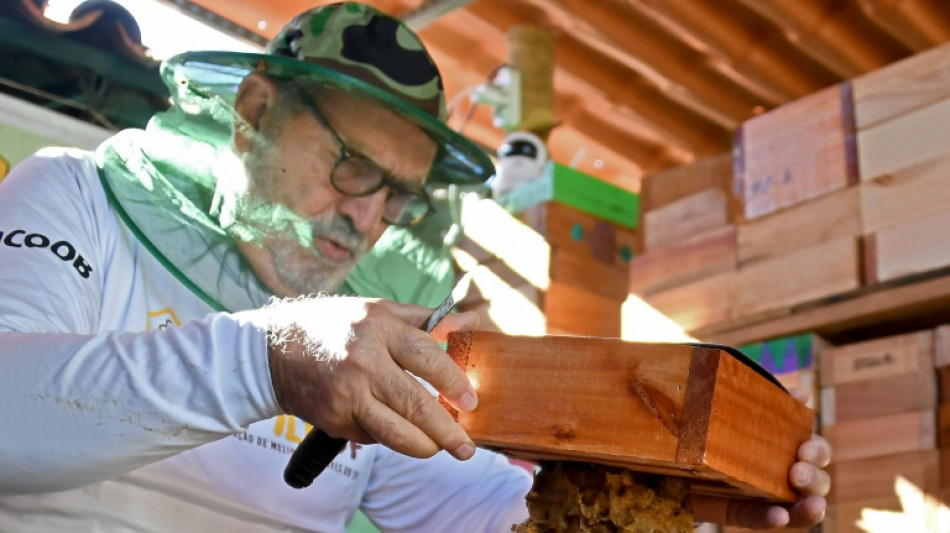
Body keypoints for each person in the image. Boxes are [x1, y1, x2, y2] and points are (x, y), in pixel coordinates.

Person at [0, 2, 830, 531]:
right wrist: (267, 359)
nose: (366, 217)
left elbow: (476, 511)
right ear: (255, 111)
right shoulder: (76, 198)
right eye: (352, 165)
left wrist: (688, 512)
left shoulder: (367, 332)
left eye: (397, 193)